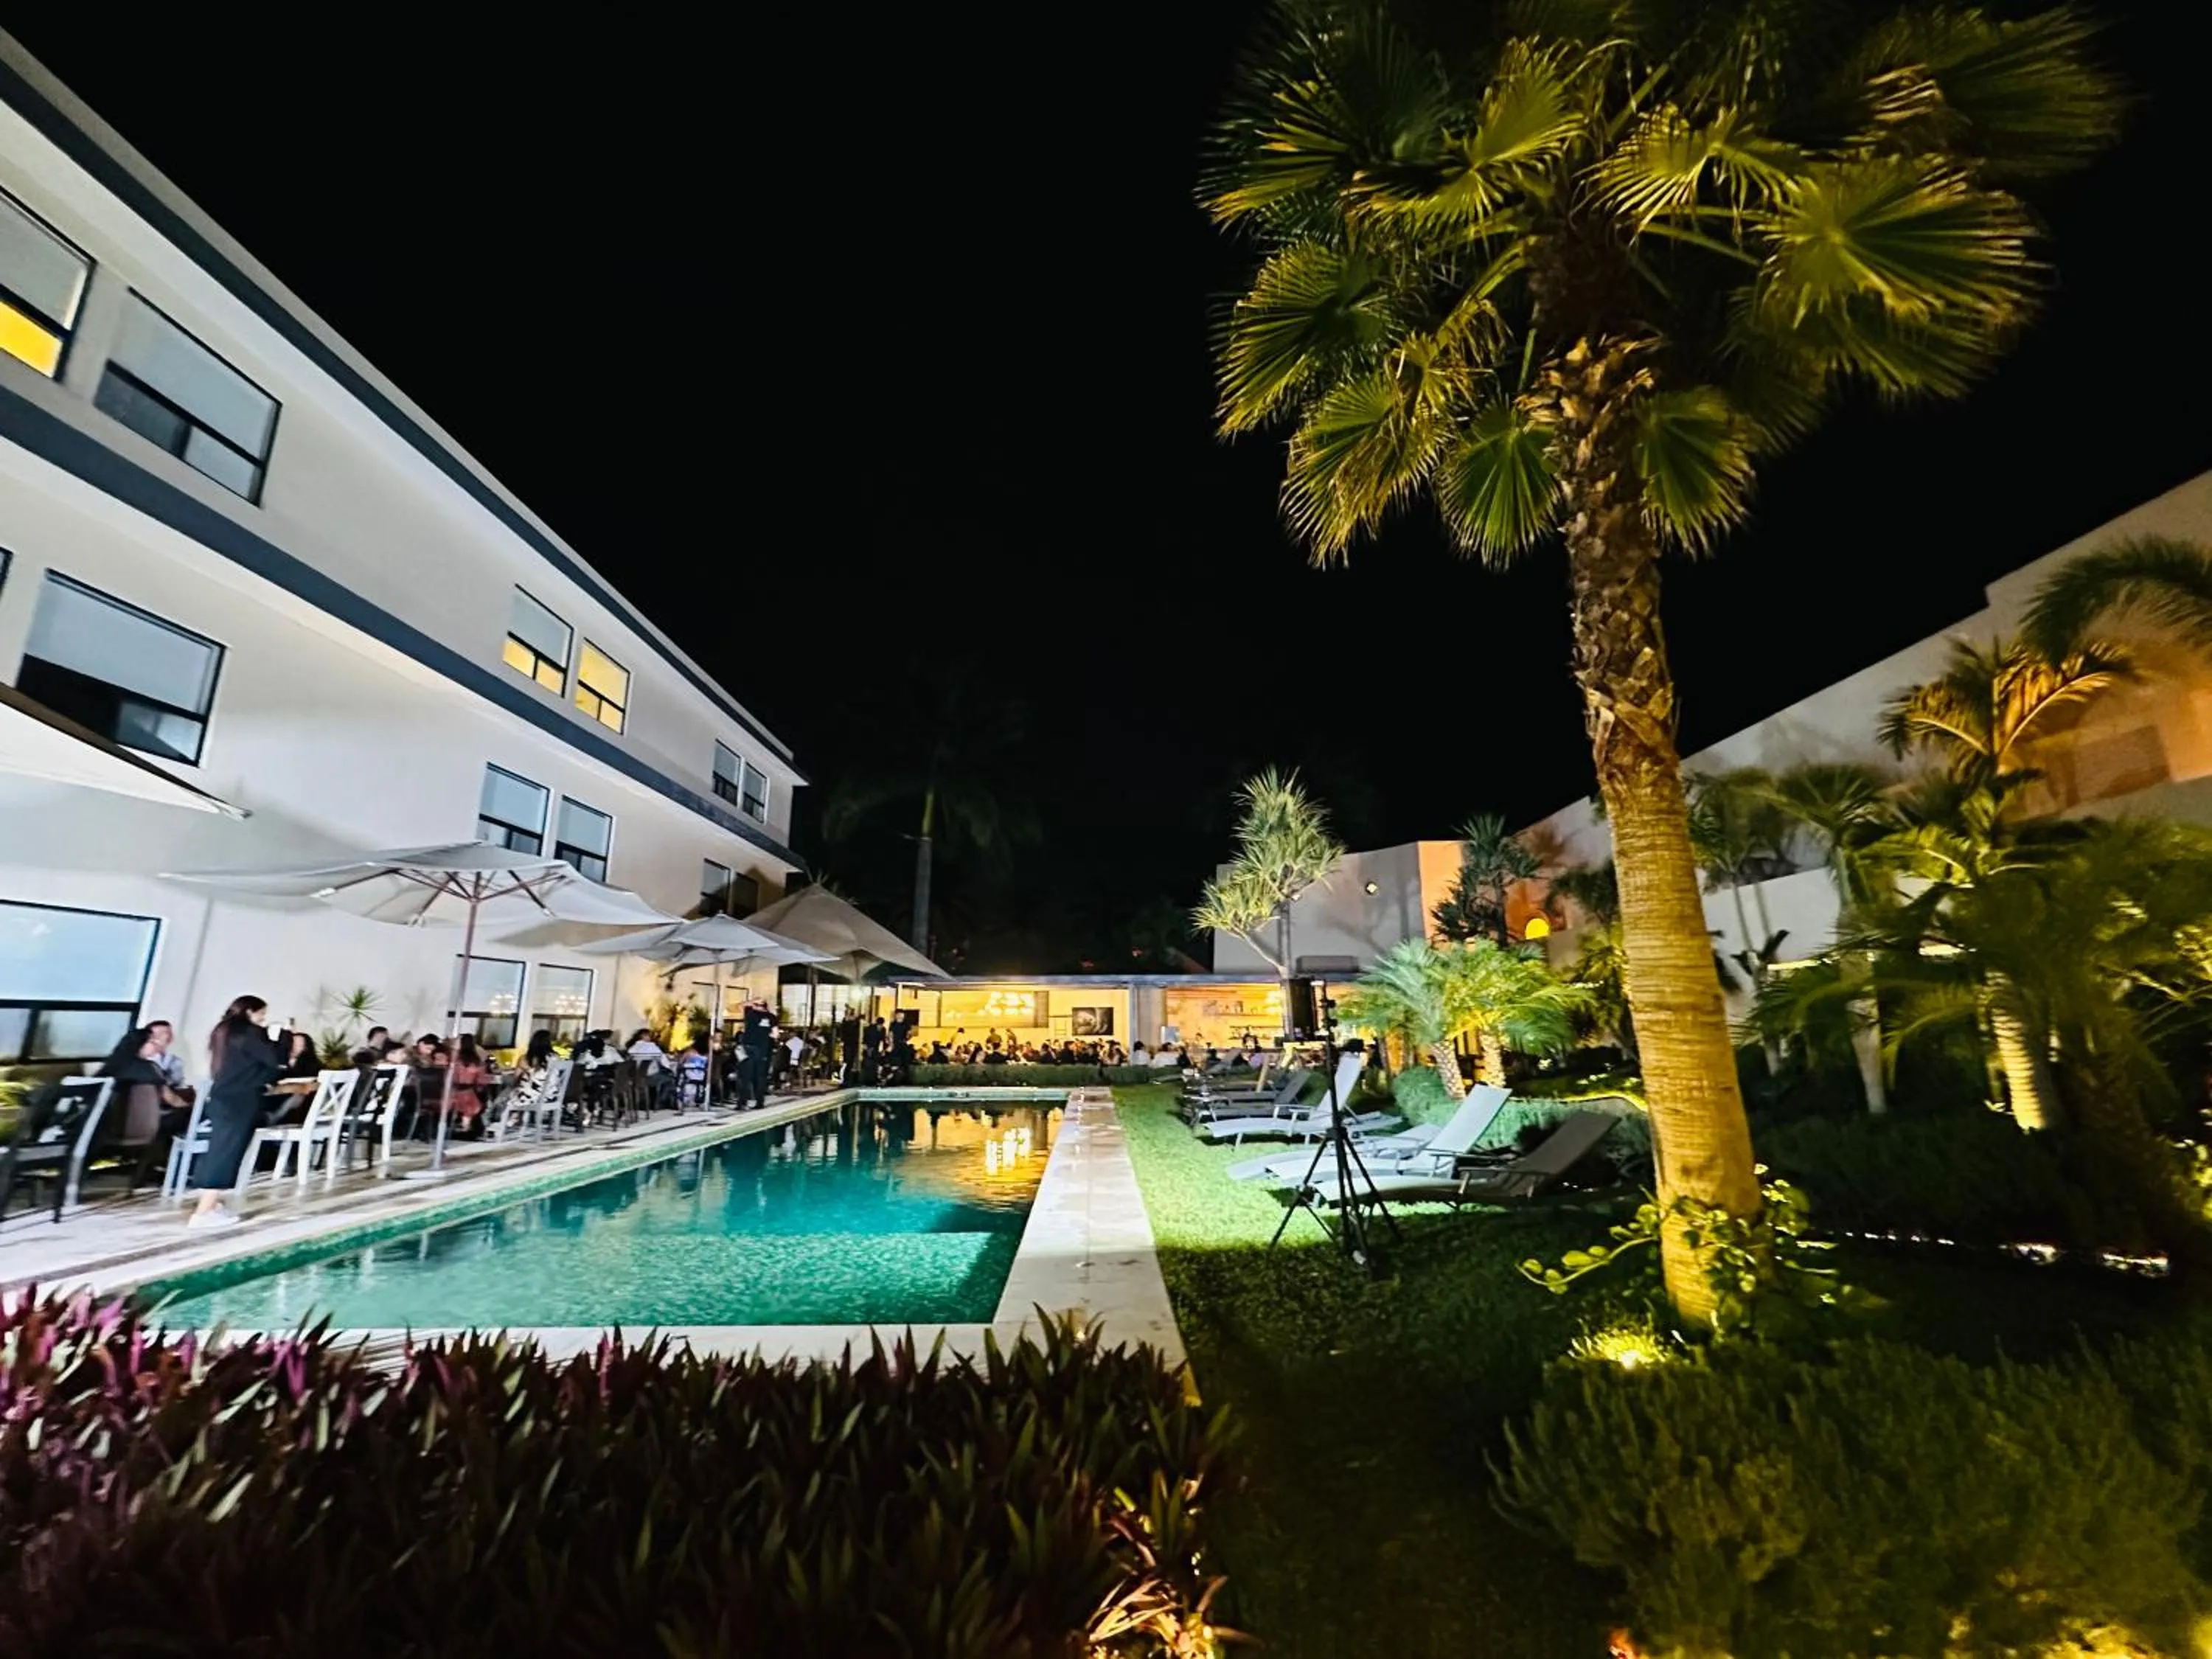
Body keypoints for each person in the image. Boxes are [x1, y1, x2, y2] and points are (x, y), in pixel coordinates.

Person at [186, 997, 289, 1228]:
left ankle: (210, 1206)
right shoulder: (250, 1033)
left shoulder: (224, 1031)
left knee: (220, 1150)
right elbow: (274, 1061)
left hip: (223, 1098)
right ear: (250, 1012)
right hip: (240, 1101)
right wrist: (284, 1036)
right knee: (226, 1153)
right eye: (261, 1014)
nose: (263, 1019)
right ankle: (202, 1214)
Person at [446, 1034, 494, 1138]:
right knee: (482, 1097)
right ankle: (468, 1126)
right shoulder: (477, 1062)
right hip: (467, 1094)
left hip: (449, 1094)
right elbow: (482, 1081)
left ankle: (464, 1125)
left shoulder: (452, 1059)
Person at [740, 997, 776, 1108]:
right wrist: (766, 1035)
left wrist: (752, 1000)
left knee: (745, 1076)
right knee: (760, 1077)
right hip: (763, 1050)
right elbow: (775, 1035)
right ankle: (759, 1102)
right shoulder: (772, 1017)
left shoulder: (751, 1013)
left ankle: (742, 1102)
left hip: (748, 1047)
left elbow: (739, 1005)